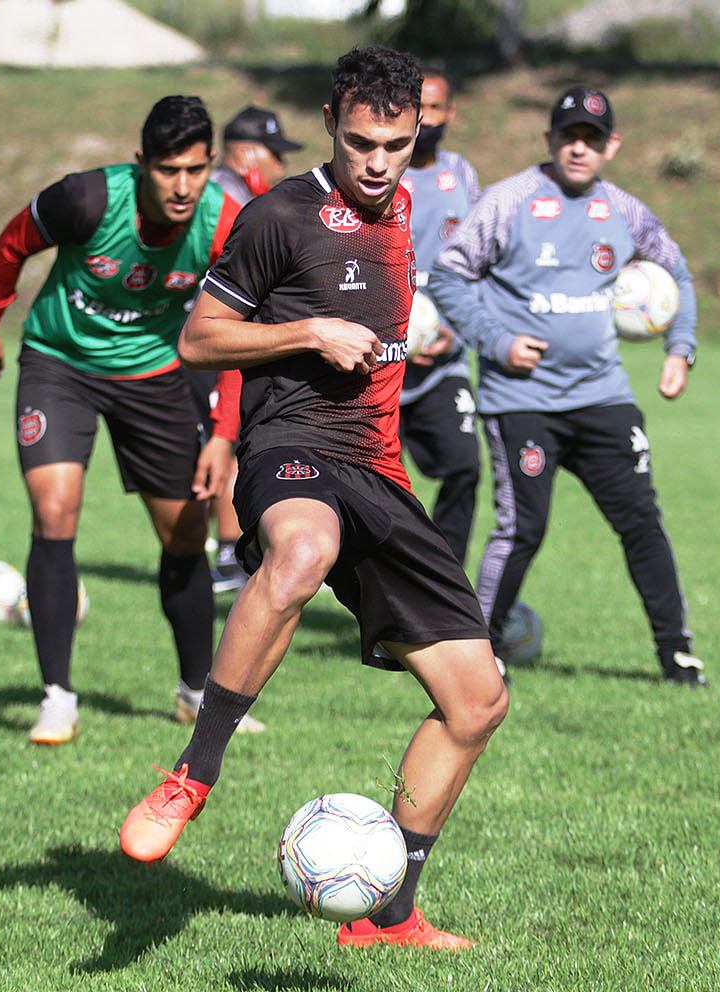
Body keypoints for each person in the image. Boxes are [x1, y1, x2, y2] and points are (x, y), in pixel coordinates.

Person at [119, 46, 509, 952]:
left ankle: (389, 914)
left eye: (398, 145)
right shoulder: (280, 215)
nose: (378, 163)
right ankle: (191, 773)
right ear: (332, 123)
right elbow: (200, 338)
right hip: (291, 448)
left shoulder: (408, 206)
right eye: (363, 142)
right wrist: (309, 331)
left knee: (476, 702)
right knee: (300, 553)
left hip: (379, 470)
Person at [0, 95, 264, 745]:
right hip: (59, 363)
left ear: (210, 164)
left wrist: (223, 434)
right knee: (54, 510)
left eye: (194, 169)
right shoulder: (86, 200)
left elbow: (236, 331)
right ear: (141, 165)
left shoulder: (226, 223)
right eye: (166, 170)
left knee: (185, 534)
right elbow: (14, 242)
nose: (182, 186)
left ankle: (196, 693)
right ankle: (57, 697)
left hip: (155, 374)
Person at [429, 85, 706, 686]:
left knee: (641, 521)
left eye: (592, 139)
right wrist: (498, 342)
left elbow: (676, 272)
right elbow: (449, 273)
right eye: (569, 136)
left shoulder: (625, 211)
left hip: (604, 397)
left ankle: (677, 653)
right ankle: (481, 651)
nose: (579, 148)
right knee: (522, 528)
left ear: (612, 146)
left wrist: (679, 349)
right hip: (521, 402)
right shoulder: (511, 201)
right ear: (549, 140)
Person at [192, 105, 305, 593]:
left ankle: (226, 554)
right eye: (275, 154)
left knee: (225, 439)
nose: (281, 167)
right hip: (202, 343)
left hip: (207, 342)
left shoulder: (232, 195)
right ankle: (224, 557)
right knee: (224, 439)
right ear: (246, 153)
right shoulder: (223, 199)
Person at [399, 66, 481, 567]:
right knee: (382, 494)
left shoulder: (463, 175)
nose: (427, 118)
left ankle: (444, 589)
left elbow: (478, 266)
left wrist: (456, 332)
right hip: (377, 364)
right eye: (419, 107)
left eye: (436, 108)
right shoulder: (381, 173)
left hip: (444, 360)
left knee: (465, 467)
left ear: (451, 113)